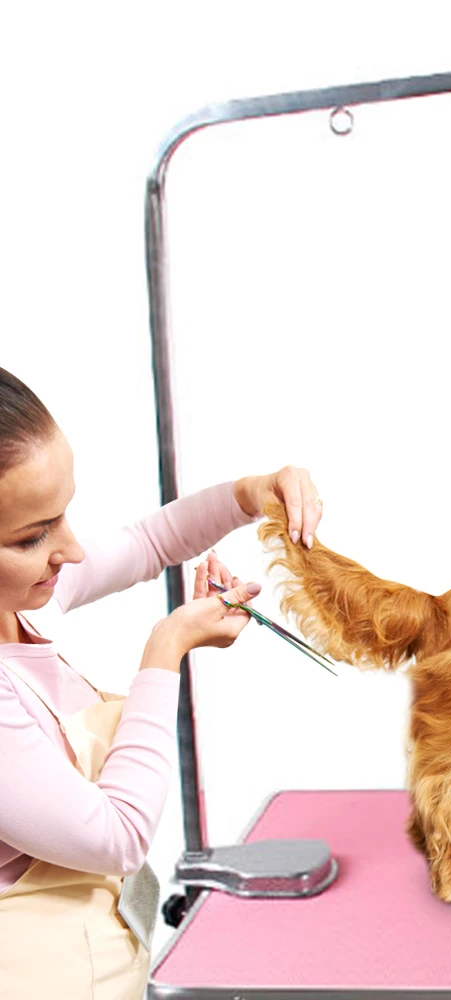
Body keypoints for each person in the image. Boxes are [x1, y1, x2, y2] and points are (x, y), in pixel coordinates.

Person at [0, 366, 323, 998]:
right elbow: (117, 836)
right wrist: (166, 649)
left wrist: (252, 493)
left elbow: (150, 541)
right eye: (33, 536)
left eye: (64, 516)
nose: (71, 549)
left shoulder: (26, 601)